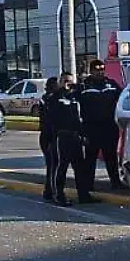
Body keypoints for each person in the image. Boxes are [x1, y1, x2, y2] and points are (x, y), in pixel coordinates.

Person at [44, 72, 94, 206]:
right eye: (65, 81)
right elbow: (50, 120)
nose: (68, 84)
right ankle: (58, 195)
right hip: (62, 136)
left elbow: (81, 116)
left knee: (80, 168)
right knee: (61, 167)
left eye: (70, 81)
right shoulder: (54, 98)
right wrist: (51, 139)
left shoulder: (75, 97)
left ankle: (84, 195)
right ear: (60, 82)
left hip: (75, 136)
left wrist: (83, 135)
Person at [77, 59, 126, 191]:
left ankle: (115, 183)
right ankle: (88, 184)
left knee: (111, 157)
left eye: (102, 69)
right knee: (90, 158)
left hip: (109, 128)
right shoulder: (83, 87)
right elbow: (76, 107)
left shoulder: (111, 85)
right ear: (91, 71)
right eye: (97, 69)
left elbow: (123, 98)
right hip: (91, 128)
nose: (100, 72)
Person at [39, 77, 60, 202]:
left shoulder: (50, 98)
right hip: (48, 135)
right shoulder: (47, 99)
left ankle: (49, 190)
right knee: (53, 165)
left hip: (51, 135)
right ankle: (51, 191)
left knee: (53, 165)